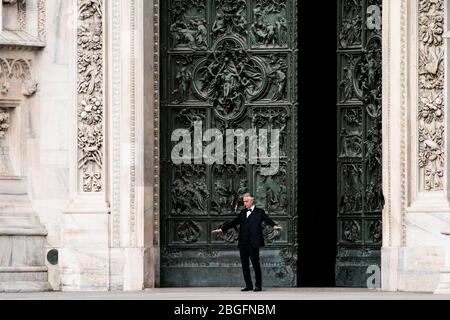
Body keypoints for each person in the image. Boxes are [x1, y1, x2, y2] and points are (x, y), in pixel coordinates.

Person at [212, 193, 282, 292]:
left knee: (255, 264)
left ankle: (258, 285)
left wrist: (274, 225)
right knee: (245, 265)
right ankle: (248, 285)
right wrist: (221, 230)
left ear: (251, 201)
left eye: (246, 201)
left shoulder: (259, 212)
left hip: (253, 243)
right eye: (244, 201)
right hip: (243, 243)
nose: (245, 203)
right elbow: (233, 222)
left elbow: (267, 220)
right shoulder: (243, 212)